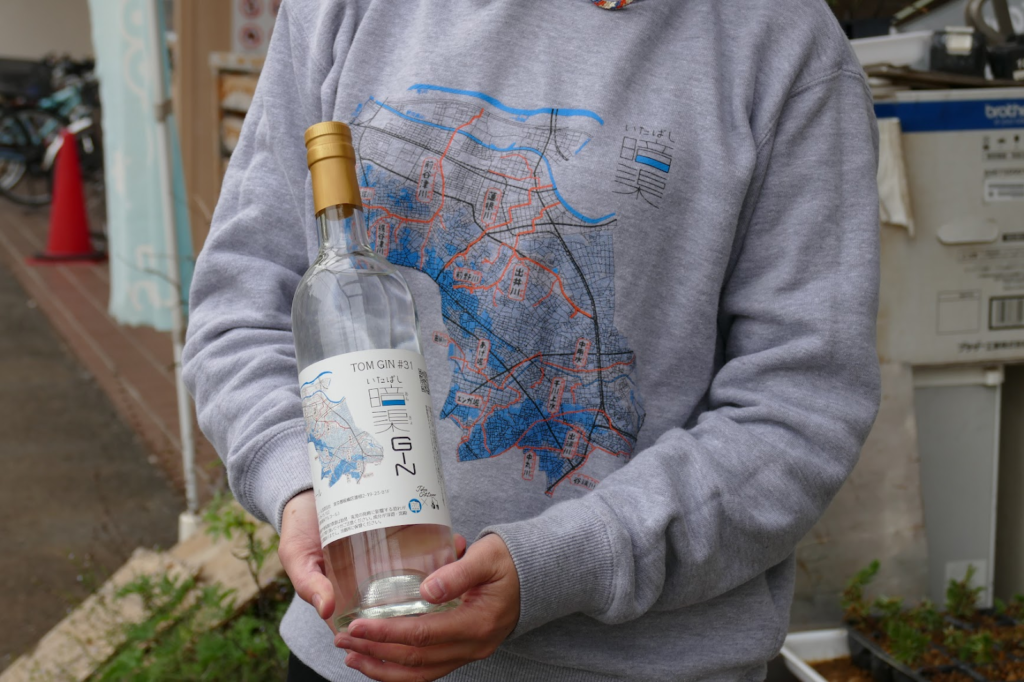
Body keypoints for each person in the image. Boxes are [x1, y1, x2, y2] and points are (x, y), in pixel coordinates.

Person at [182, 0, 882, 679]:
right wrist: (299, 483)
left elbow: (801, 409)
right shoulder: (339, 8)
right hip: (353, 654)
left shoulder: (783, 40)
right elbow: (240, 305)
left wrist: (565, 563)